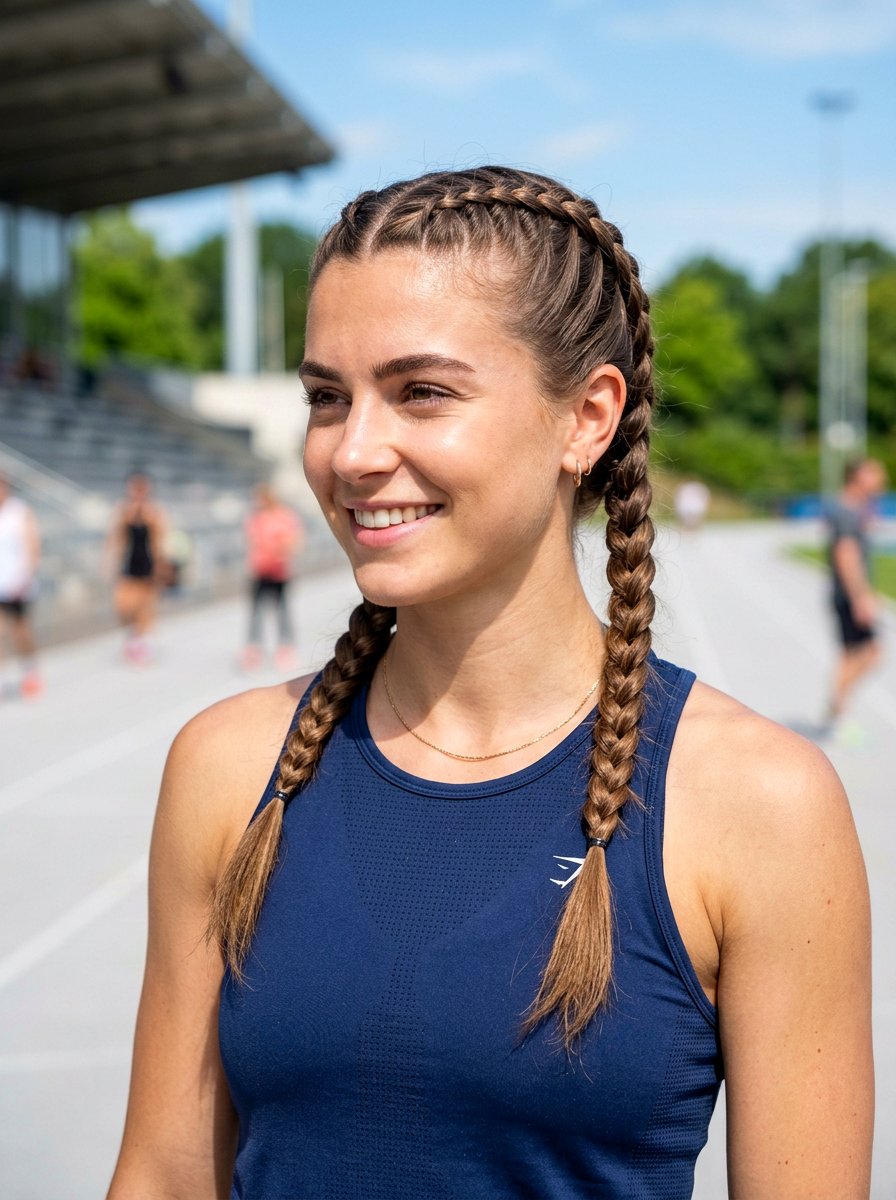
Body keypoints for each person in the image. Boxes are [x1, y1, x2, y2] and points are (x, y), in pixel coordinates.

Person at [108, 168, 872, 1199]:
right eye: (326, 397)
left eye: (421, 391)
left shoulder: (757, 806)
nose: (352, 450)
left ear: (585, 419)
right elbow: (161, 1174)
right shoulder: (230, 769)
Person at [823, 456, 888, 733]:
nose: (881, 480)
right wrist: (860, 597)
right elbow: (846, 555)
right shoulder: (847, 510)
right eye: (875, 474)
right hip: (849, 596)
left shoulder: (851, 508)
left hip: (847, 594)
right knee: (868, 653)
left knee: (853, 654)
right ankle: (838, 710)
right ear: (858, 477)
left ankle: (838, 709)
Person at [241, 483, 305, 672]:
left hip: (279, 571)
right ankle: (254, 649)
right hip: (260, 570)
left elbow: (294, 540)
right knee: (256, 612)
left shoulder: (284, 516)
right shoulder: (255, 518)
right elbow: (252, 541)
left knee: (282, 611)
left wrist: (281, 550)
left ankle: (285, 647)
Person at [105, 472, 166, 664]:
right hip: (128, 565)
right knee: (124, 606)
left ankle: (140, 643)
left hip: (147, 565)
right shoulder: (123, 510)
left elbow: (160, 540)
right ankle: (134, 637)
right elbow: (114, 538)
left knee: (145, 607)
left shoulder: (154, 511)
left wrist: (161, 567)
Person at [0, 476, 42, 698]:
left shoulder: (19, 512)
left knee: (20, 632)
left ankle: (30, 670)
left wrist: (25, 577)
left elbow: (33, 547)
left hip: (17, 583)